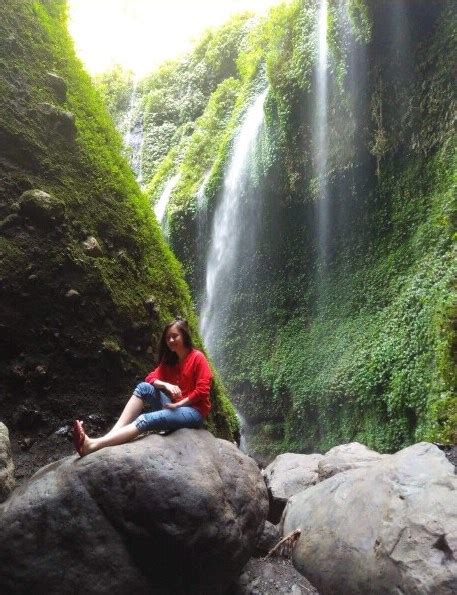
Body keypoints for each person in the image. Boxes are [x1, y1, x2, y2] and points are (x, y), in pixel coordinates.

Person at [73, 318, 212, 457]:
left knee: (145, 418)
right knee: (143, 387)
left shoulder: (197, 357)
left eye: (174, 336)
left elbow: (202, 391)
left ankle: (92, 446)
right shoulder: (171, 362)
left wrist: (179, 404)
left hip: (195, 412)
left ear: (185, 336)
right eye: (167, 337)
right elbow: (150, 378)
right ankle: (111, 436)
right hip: (175, 407)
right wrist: (166, 385)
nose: (170, 340)